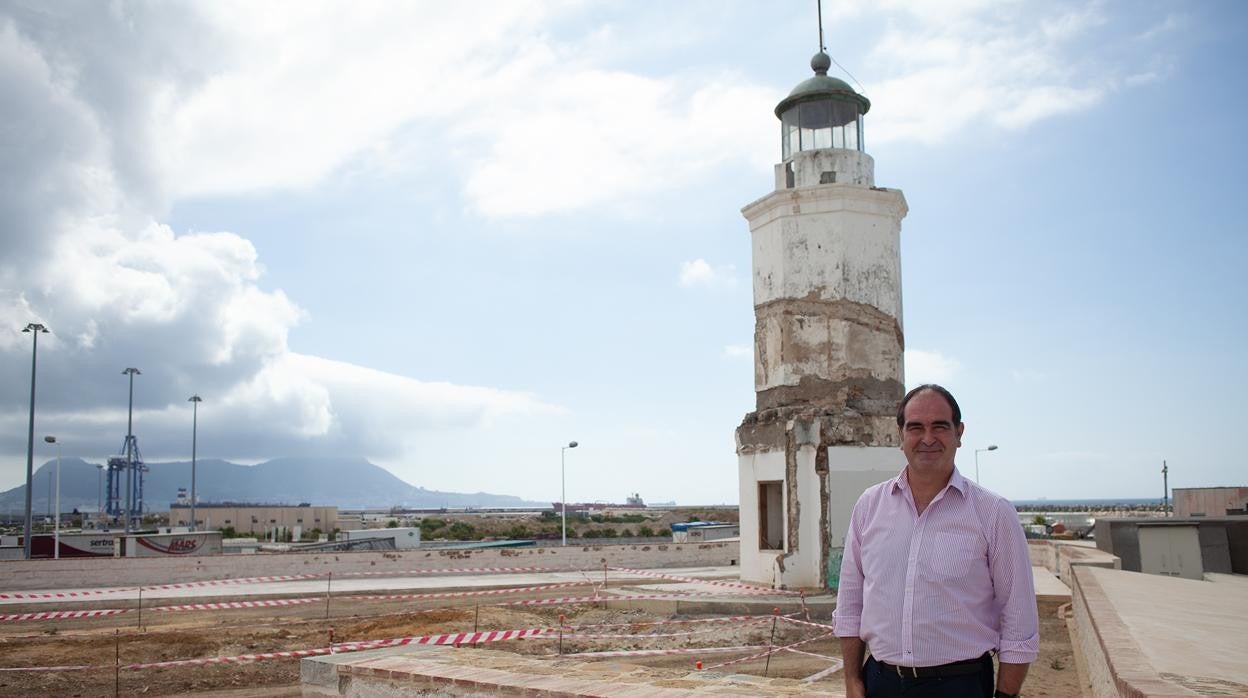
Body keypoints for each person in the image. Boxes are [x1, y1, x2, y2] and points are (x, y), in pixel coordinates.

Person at [833, 384, 1038, 698]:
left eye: (939, 426)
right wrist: (852, 680)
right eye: (915, 427)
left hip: (961, 685)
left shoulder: (994, 513)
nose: (927, 438)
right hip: (879, 682)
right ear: (900, 435)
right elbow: (850, 604)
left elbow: (1019, 617)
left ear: (959, 432)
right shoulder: (869, 506)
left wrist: (1006, 695)